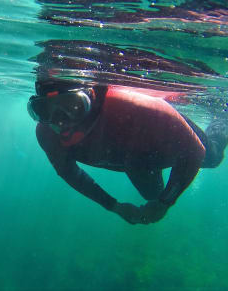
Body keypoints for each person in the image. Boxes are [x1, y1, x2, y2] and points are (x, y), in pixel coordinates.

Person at [28, 80, 228, 224]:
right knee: (152, 195)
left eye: (72, 106)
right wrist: (114, 206)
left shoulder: (137, 108)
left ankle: (223, 114)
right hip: (135, 159)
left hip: (161, 134)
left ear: (90, 98)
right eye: (44, 110)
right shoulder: (47, 133)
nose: (60, 120)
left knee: (212, 157)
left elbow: (194, 152)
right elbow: (69, 172)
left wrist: (166, 202)